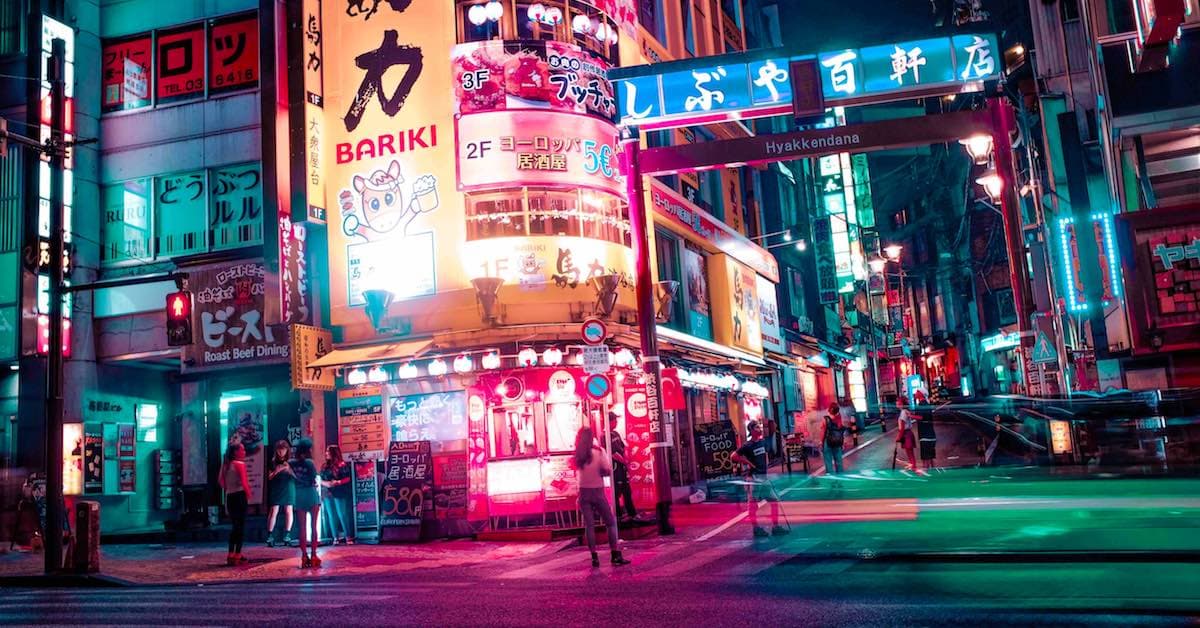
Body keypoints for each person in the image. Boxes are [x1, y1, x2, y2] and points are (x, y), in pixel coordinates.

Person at [572, 426, 630, 568]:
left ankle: (594, 558)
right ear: (592, 438)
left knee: (589, 525)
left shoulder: (577, 456)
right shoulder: (598, 452)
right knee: (610, 522)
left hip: (583, 493)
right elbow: (607, 470)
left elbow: (577, 474)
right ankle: (615, 554)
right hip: (597, 492)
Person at [731, 420, 787, 538]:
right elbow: (734, 456)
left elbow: (765, 456)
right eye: (757, 427)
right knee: (753, 505)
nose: (760, 429)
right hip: (754, 478)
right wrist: (747, 462)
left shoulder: (762, 442)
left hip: (764, 478)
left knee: (774, 501)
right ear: (751, 430)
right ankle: (756, 528)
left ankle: (776, 527)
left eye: (759, 427)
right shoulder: (747, 445)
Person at [290, 439, 322, 568]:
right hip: (310, 493)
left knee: (302, 528)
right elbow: (314, 479)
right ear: (308, 449)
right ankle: (314, 555)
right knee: (313, 526)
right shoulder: (309, 463)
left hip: (298, 495)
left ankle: (304, 556)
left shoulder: (291, 463)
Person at [217, 441, 250, 566]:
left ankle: (230, 553)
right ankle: (238, 553)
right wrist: (248, 495)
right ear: (236, 452)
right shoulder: (239, 464)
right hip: (239, 496)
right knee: (240, 526)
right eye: (242, 449)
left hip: (230, 496)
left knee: (234, 525)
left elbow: (221, 482)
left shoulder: (226, 464)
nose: (244, 452)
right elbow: (244, 482)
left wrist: (229, 487)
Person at [320, 445, 355, 545]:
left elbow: (347, 478)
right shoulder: (324, 466)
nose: (326, 453)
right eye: (326, 451)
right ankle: (335, 537)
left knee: (342, 514)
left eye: (328, 452)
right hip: (327, 492)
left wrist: (338, 482)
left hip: (339, 491)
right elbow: (320, 479)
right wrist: (325, 483)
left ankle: (348, 536)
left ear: (334, 453)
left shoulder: (342, 465)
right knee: (331, 515)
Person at [266, 440, 295, 547]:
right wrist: (277, 470)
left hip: (289, 487)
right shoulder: (273, 462)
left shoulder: (291, 462)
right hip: (277, 487)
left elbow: (296, 476)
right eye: (279, 449)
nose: (280, 452)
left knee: (289, 509)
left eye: (283, 449)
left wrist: (289, 470)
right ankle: (270, 535)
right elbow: (269, 477)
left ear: (287, 450)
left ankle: (287, 535)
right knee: (274, 510)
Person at [609, 426, 637, 521]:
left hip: (622, 467)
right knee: (616, 492)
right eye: (614, 420)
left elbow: (622, 447)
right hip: (615, 467)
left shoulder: (616, 433)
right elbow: (612, 453)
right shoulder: (605, 435)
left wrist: (626, 459)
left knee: (627, 490)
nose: (616, 422)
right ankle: (618, 516)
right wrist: (624, 462)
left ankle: (631, 513)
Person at [822, 403, 847, 475]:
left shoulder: (825, 419)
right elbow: (841, 432)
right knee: (839, 460)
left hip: (828, 442)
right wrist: (843, 442)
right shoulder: (839, 419)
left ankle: (830, 476)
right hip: (837, 442)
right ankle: (841, 475)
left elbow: (823, 432)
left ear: (829, 410)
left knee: (828, 461)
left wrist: (821, 442)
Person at [895, 399, 919, 470]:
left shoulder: (903, 412)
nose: (897, 405)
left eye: (898, 403)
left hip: (906, 434)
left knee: (909, 452)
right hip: (908, 433)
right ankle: (913, 466)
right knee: (910, 452)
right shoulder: (904, 411)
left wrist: (899, 437)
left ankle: (913, 467)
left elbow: (902, 426)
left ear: (902, 404)